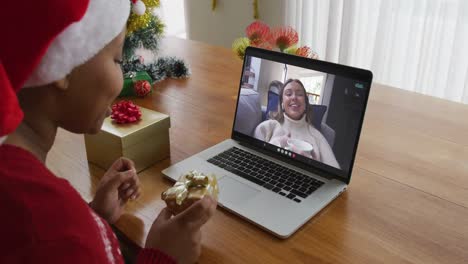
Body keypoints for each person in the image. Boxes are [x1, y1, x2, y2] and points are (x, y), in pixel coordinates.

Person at [0, 1, 216, 263]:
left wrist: (94, 217)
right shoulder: (55, 228)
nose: (123, 75)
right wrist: (163, 256)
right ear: (64, 64)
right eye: (117, 59)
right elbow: (59, 244)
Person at [254, 79, 340, 169]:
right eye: (288, 94)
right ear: (282, 103)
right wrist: (277, 144)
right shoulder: (267, 127)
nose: (294, 97)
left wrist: (315, 167)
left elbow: (334, 171)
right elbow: (255, 162)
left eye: (299, 94)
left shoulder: (318, 137)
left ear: (305, 104)